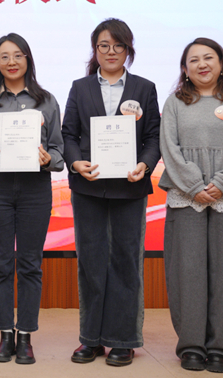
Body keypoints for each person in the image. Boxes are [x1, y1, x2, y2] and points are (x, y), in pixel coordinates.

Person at [61, 18, 161, 367]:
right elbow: (68, 134)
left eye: (119, 45)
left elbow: (153, 136)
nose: (111, 52)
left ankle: (122, 340)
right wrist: (76, 163)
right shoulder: (80, 87)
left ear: (128, 49)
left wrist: (144, 165)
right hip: (88, 186)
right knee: (90, 261)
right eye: (104, 45)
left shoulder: (144, 88)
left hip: (129, 187)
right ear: (95, 49)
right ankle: (90, 339)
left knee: (125, 261)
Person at [159, 38, 223, 373]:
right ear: (185, 69)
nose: (202, 64)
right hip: (186, 197)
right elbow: (169, 147)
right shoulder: (175, 102)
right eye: (194, 60)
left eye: (208, 57)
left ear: (221, 62)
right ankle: (191, 347)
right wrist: (194, 186)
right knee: (187, 272)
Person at [0, 33, 64, 364]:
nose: (11, 62)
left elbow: (59, 149)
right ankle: (4, 335)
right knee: (0, 263)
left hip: (34, 189)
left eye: (17, 55)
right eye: (4, 56)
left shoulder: (47, 100)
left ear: (28, 59)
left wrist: (49, 159)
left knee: (30, 263)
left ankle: (25, 335)